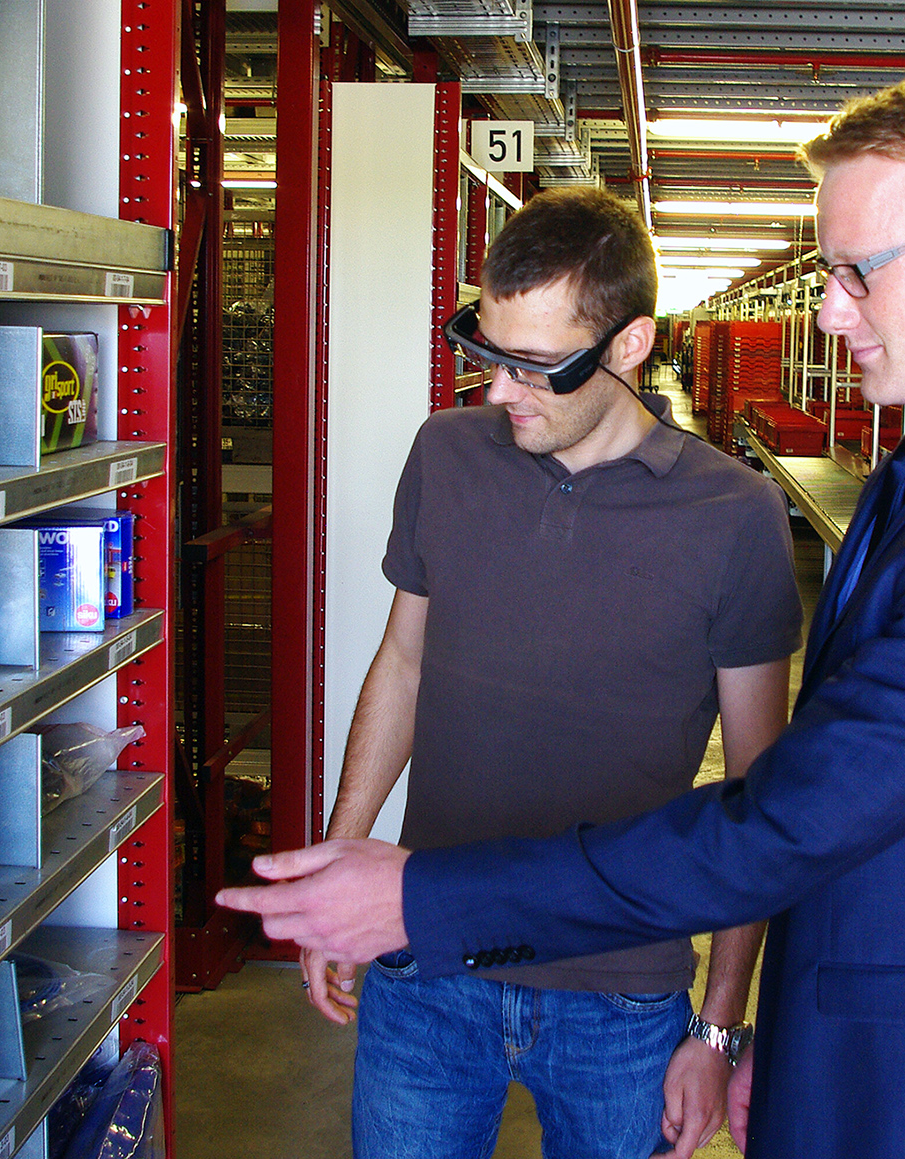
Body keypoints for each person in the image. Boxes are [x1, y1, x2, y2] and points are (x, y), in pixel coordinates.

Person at [221, 76, 905, 1159]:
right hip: (857, 1041)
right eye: (829, 274)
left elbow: (784, 815)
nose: (827, 310)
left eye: (858, 272)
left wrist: (424, 901)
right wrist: (780, 1026)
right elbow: (848, 800)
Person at [294, 185, 803, 1159]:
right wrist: (334, 869)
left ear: (628, 345)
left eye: (534, 366)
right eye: (486, 352)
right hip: (426, 967)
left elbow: (756, 794)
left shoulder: (732, 516)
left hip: (620, 996)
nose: (497, 391)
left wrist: (718, 1026)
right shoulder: (446, 456)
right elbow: (403, 663)